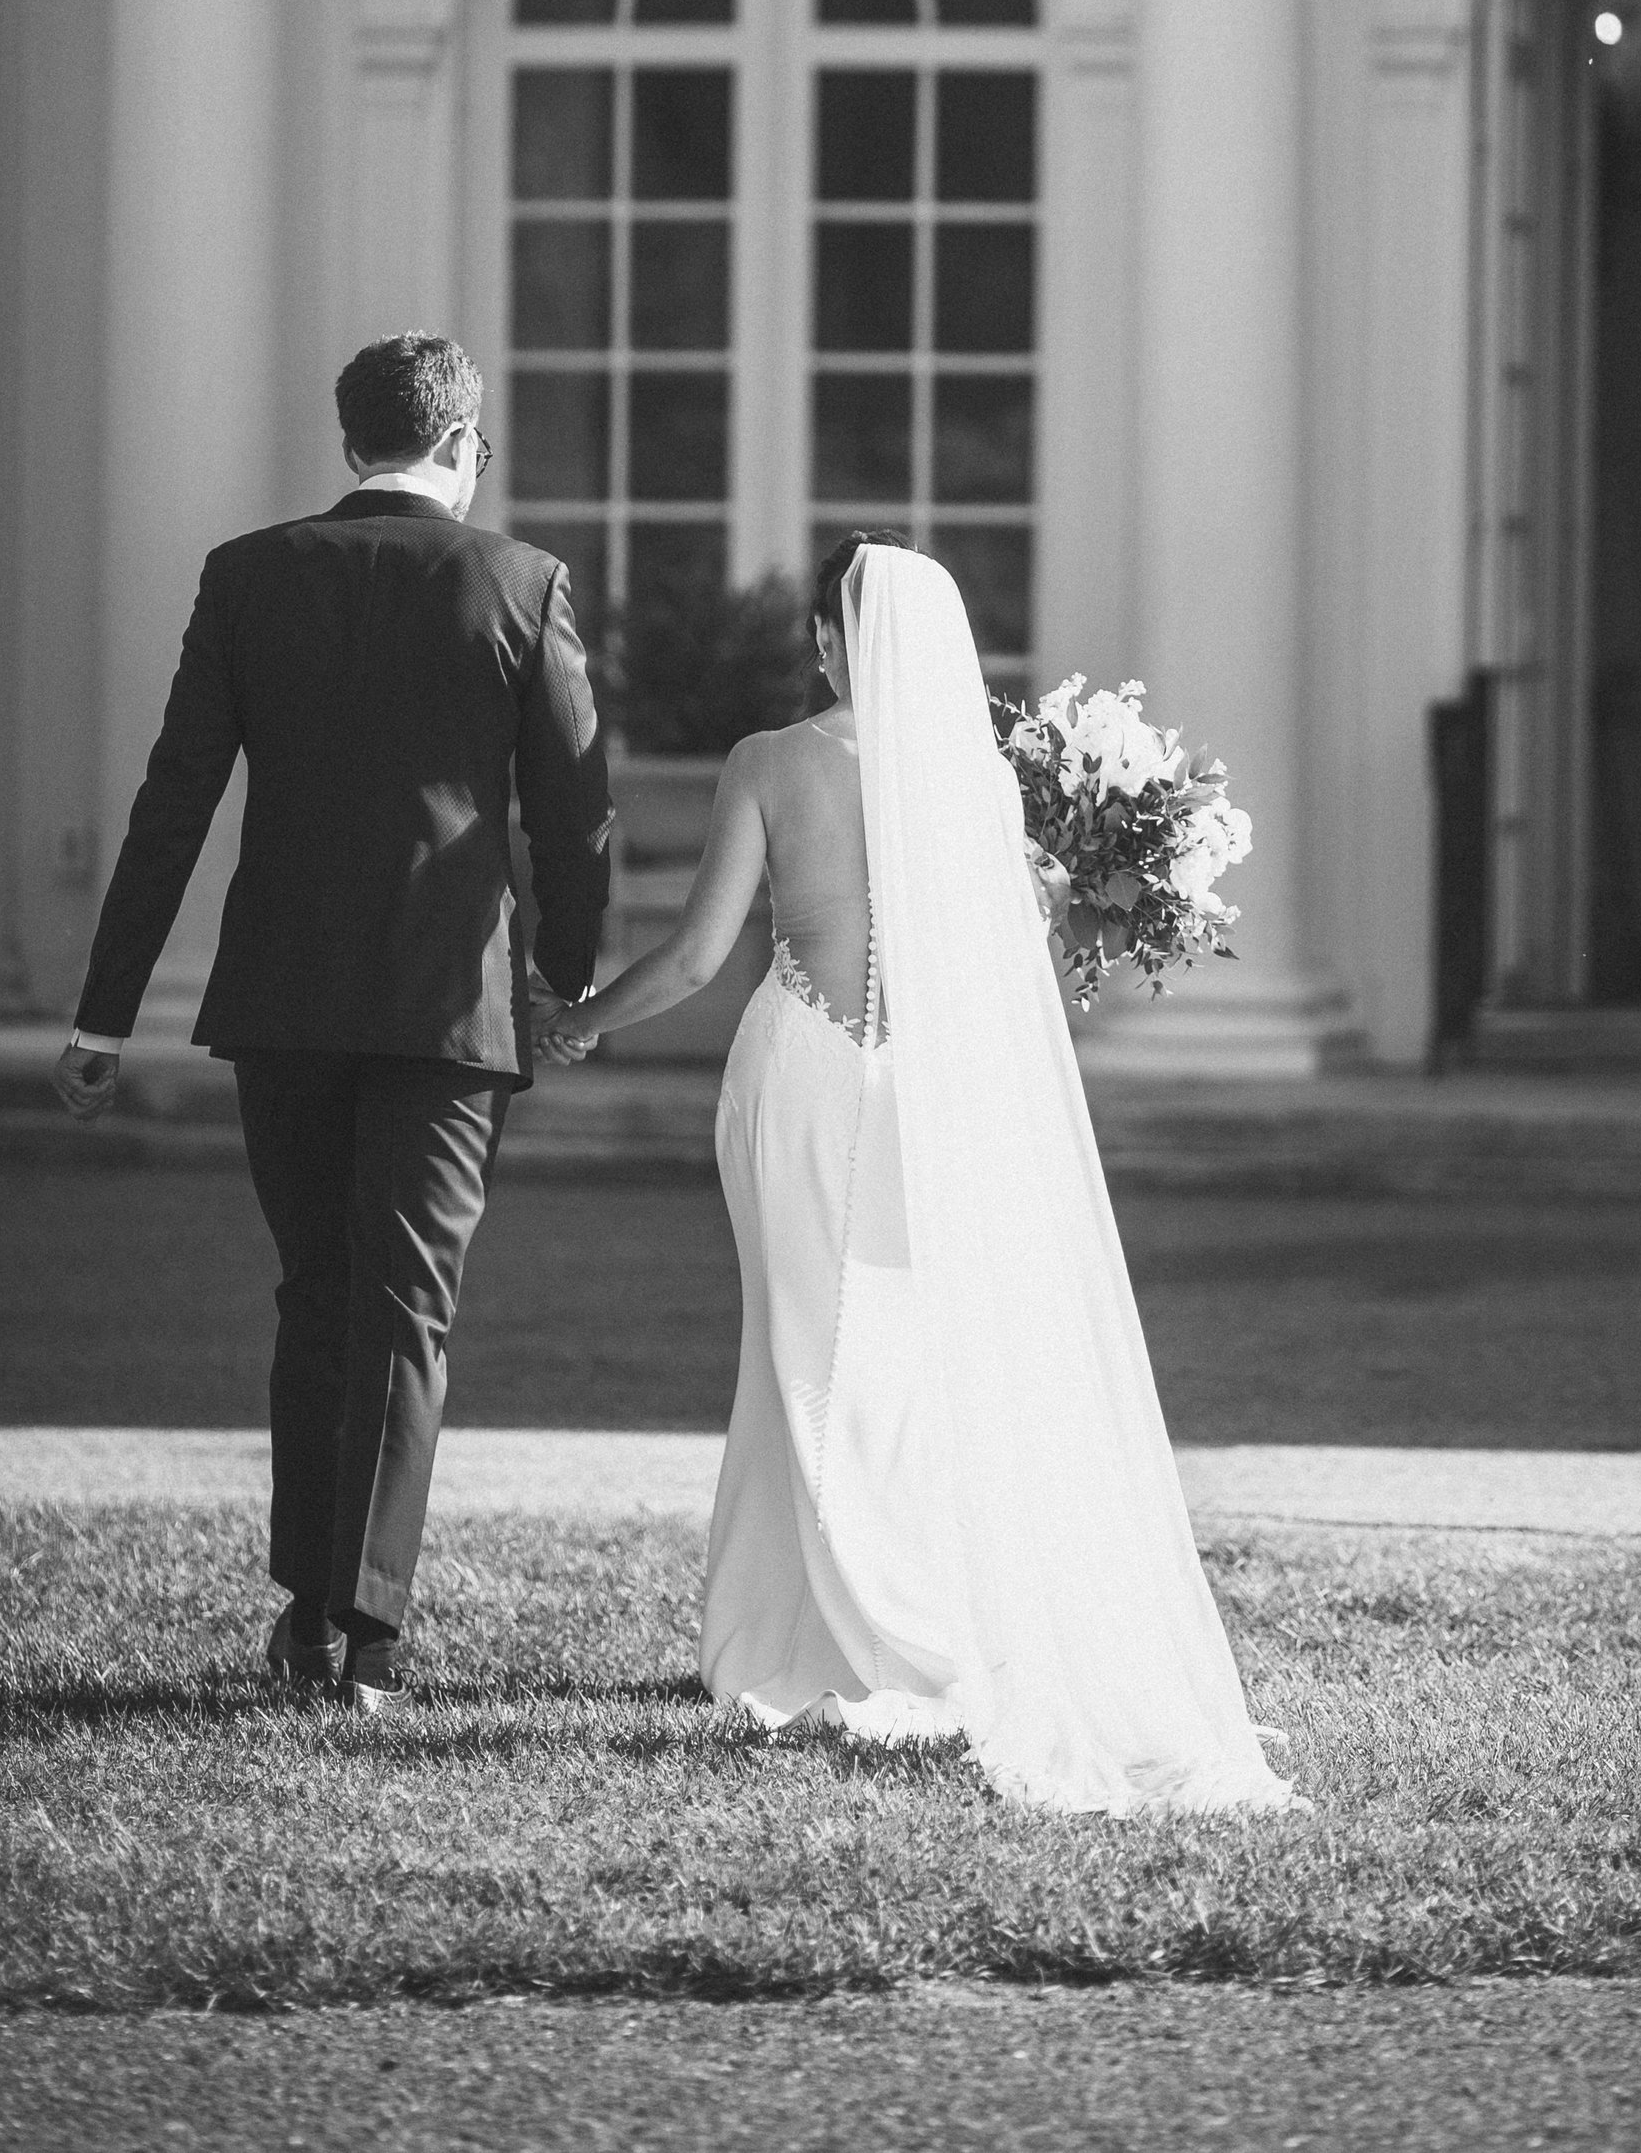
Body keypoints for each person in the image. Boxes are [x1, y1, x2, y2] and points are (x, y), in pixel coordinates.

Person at [538, 532, 1292, 1812]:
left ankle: (860, 1631)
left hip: (806, 1077)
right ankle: (856, 1612)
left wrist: (577, 1019)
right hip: (924, 1096)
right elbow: (1018, 976)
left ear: (830, 638)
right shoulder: (976, 784)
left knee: (800, 1350)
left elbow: (695, 958)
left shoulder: (773, 763)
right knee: (889, 1351)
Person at [54, 332, 613, 1712]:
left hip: (284, 1000)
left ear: (350, 438)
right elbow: (576, 814)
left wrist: (103, 1012)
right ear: (467, 444)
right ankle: (364, 1635)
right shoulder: (521, 583)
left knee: (316, 1292)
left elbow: (174, 797)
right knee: (405, 1303)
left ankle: (311, 1617)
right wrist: (569, 973)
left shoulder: (250, 574)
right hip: (445, 1005)